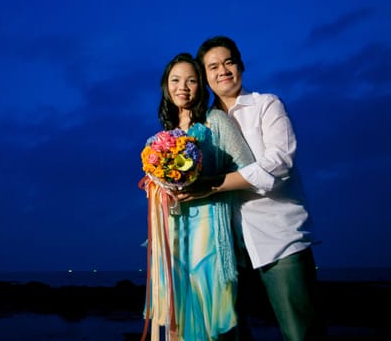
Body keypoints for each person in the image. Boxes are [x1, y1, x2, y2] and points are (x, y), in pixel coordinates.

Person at [185, 35, 325, 341]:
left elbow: (280, 162)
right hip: (228, 247)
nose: (222, 70)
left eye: (228, 62)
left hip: (279, 238)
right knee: (230, 334)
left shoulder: (267, 104)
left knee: (300, 332)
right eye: (213, 66)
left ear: (241, 66)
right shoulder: (203, 125)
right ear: (205, 76)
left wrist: (213, 185)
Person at [139, 52, 254, 341]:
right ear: (166, 86)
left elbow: (248, 170)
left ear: (201, 85)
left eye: (191, 80)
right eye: (176, 80)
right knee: (177, 314)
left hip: (208, 231)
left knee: (214, 313)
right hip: (174, 233)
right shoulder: (164, 135)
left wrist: (208, 185)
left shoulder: (216, 121)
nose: (183, 87)